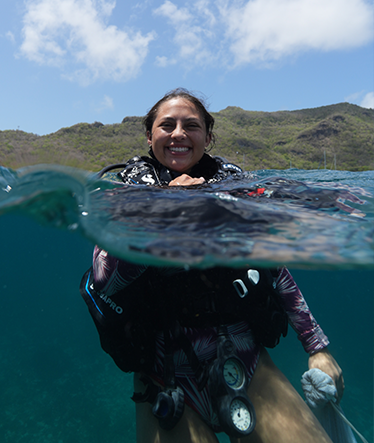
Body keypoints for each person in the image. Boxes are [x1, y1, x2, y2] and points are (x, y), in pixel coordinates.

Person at [87, 88, 344, 443]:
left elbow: (273, 268)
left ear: (208, 137)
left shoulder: (233, 191)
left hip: (243, 356)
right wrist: (160, 214)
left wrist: (318, 348)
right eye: (167, 125)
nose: (178, 134)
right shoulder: (125, 195)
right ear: (149, 136)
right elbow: (105, 281)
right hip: (162, 375)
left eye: (191, 126)